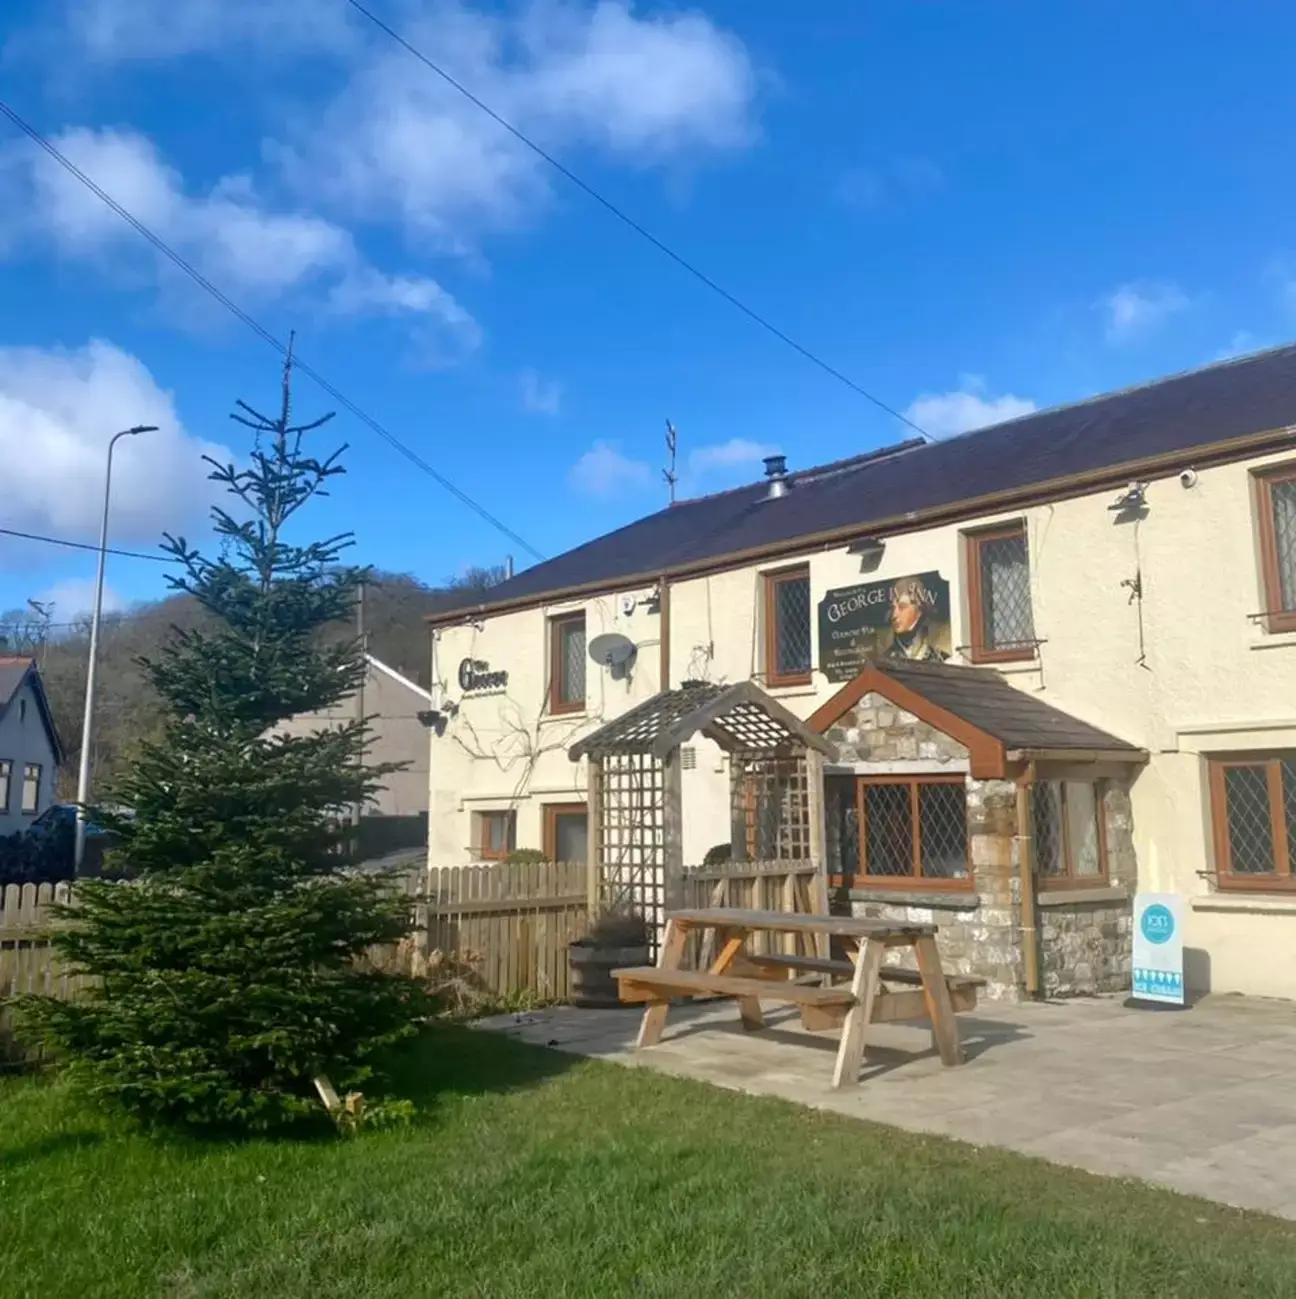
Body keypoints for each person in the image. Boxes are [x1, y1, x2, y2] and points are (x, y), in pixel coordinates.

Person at [881, 575, 949, 662]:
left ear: (919, 611)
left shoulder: (941, 660)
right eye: (892, 608)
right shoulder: (884, 661)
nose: (894, 615)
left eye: (902, 607)